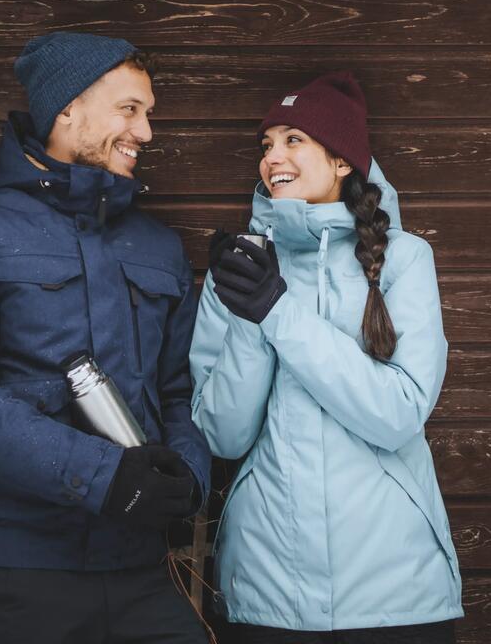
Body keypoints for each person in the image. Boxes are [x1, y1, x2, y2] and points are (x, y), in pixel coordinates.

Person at [0, 31, 212, 644]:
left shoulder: (158, 247)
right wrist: (103, 476)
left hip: (143, 573)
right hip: (20, 572)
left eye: (149, 114)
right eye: (130, 110)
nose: (146, 133)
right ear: (67, 109)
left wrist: (189, 481)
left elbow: (181, 393)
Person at [190, 72, 464, 642]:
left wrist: (278, 312)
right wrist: (248, 310)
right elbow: (225, 435)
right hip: (267, 590)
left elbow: (397, 416)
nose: (273, 157)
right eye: (266, 145)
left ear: (342, 160)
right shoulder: (239, 272)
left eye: (294, 140)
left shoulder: (403, 260)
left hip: (394, 590)